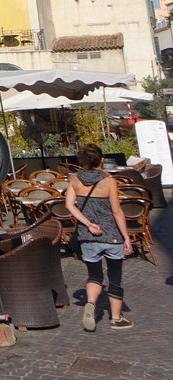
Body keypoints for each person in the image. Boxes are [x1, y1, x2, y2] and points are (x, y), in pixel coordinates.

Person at [65, 142, 133, 331]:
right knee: (115, 277)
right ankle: (116, 318)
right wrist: (126, 237)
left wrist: (87, 223)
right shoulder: (109, 181)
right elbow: (117, 212)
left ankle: (91, 304)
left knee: (94, 275)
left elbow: (70, 206)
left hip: (88, 235)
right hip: (111, 235)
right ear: (101, 160)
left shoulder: (75, 179)